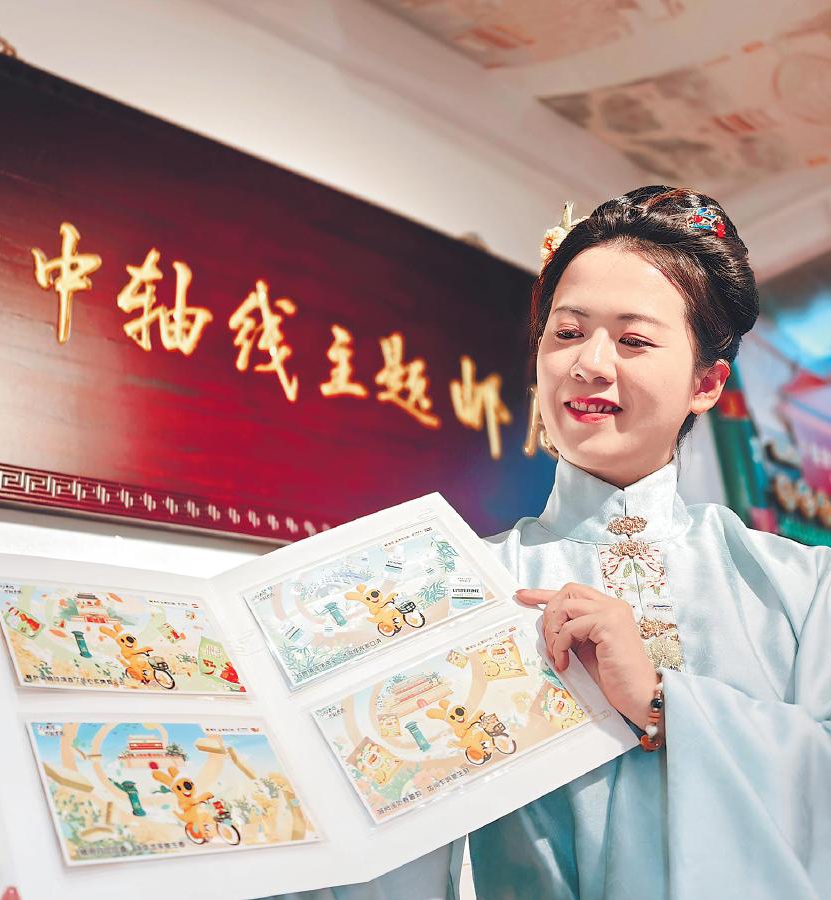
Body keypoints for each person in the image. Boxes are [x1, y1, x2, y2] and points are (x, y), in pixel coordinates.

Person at [274, 186, 829, 899]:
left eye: (633, 340)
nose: (589, 364)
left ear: (706, 382)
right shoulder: (460, 583)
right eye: (567, 332)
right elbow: (382, 839)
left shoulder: (803, 587)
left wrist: (662, 702)